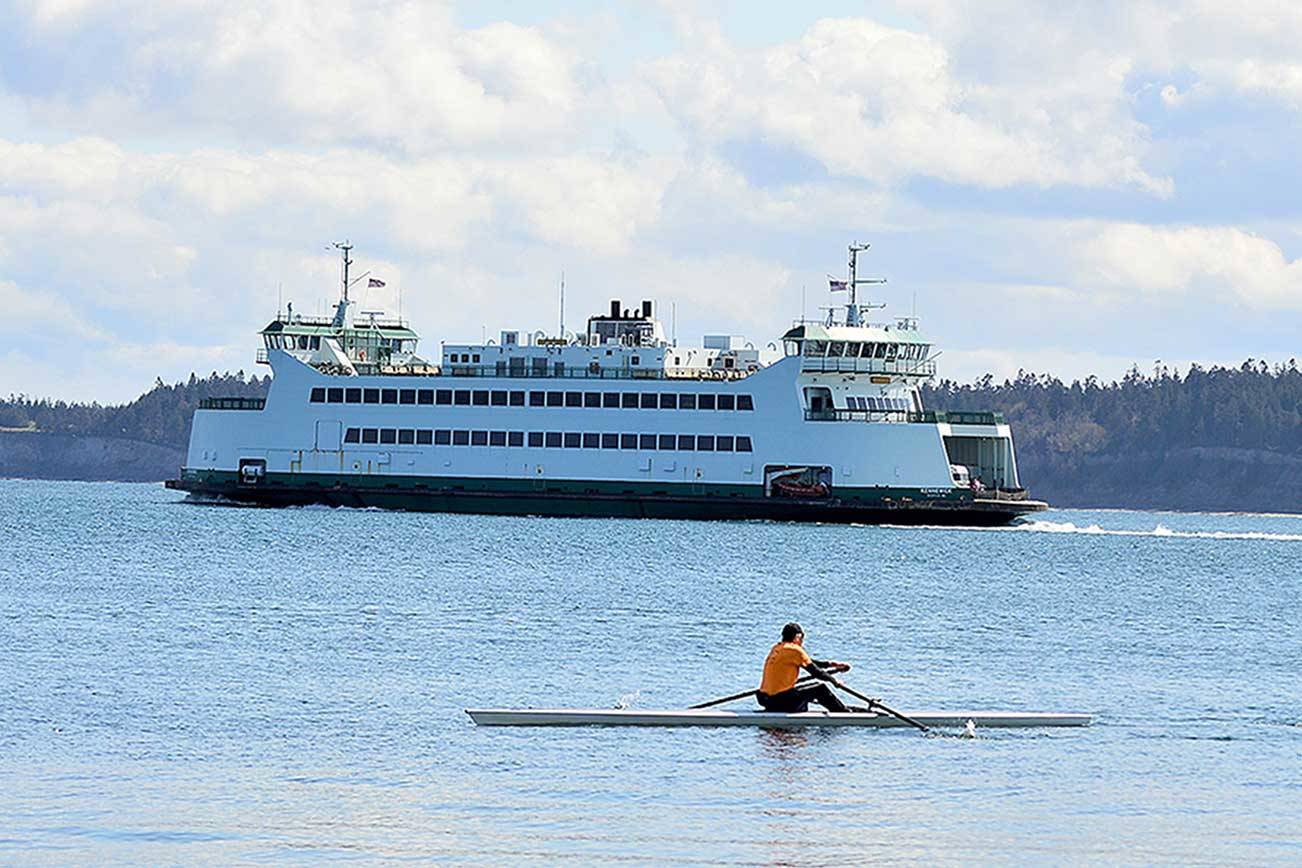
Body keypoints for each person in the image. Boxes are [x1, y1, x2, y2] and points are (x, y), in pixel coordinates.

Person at [757, 622, 853, 713]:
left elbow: (809, 662)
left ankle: (840, 709)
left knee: (810, 687)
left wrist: (831, 664)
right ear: (797, 637)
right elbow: (816, 672)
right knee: (819, 689)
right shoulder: (795, 650)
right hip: (781, 701)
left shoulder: (777, 648)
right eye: (802, 638)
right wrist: (834, 681)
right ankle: (843, 713)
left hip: (764, 699)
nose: (802, 642)